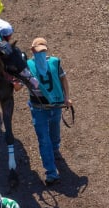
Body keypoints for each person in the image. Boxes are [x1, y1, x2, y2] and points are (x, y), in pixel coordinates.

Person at [26, 37, 73, 186]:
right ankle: (51, 172)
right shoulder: (27, 66)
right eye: (38, 51)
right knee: (43, 139)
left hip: (56, 106)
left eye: (43, 50)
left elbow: (63, 79)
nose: (40, 53)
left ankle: (55, 149)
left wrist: (67, 97)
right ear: (33, 51)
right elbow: (19, 84)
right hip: (38, 109)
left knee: (55, 132)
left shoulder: (54, 63)